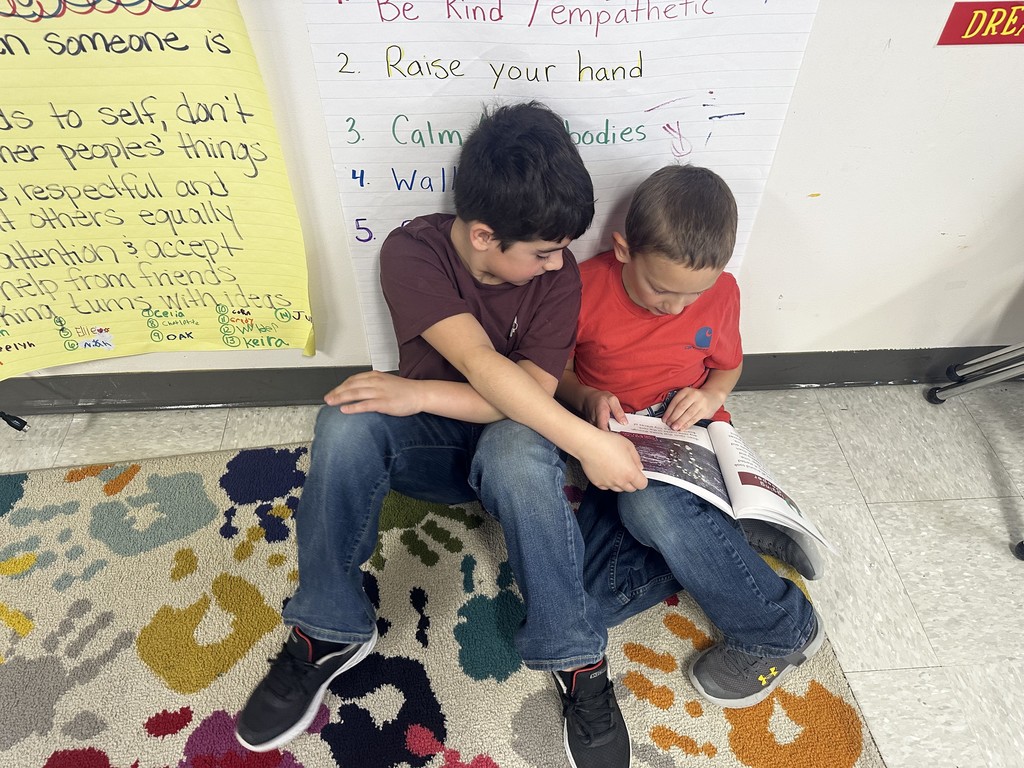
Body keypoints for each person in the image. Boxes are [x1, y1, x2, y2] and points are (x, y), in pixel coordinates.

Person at [235, 101, 643, 768]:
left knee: (516, 446)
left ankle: (575, 656)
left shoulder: (558, 272)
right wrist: (584, 443)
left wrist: (420, 389)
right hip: (434, 447)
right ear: (483, 235)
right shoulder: (412, 250)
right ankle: (327, 629)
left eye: (559, 251)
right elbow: (484, 365)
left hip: (514, 449)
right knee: (343, 421)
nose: (555, 265)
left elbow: (530, 396)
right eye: (541, 253)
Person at [557, 164, 825, 710]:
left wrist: (710, 396)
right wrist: (586, 398)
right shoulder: (582, 288)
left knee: (649, 511)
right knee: (592, 600)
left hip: (687, 431)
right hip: (618, 434)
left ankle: (779, 626)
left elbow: (726, 368)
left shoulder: (721, 292)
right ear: (624, 249)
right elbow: (554, 374)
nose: (675, 308)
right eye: (661, 289)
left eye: (692, 294)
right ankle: (725, 531)